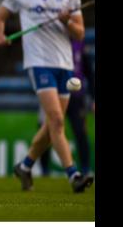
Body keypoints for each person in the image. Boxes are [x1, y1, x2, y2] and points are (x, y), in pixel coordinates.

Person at [0, 0, 94, 193]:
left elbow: (79, 34)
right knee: (57, 119)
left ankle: (25, 166)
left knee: (51, 127)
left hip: (65, 65)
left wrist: (67, 21)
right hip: (38, 63)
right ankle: (74, 175)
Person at [39, 37, 92, 176]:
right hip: (53, 94)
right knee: (46, 130)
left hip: (76, 97)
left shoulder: (79, 42)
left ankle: (86, 169)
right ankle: (44, 170)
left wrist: (93, 97)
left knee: (80, 132)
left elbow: (88, 71)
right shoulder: (51, 39)